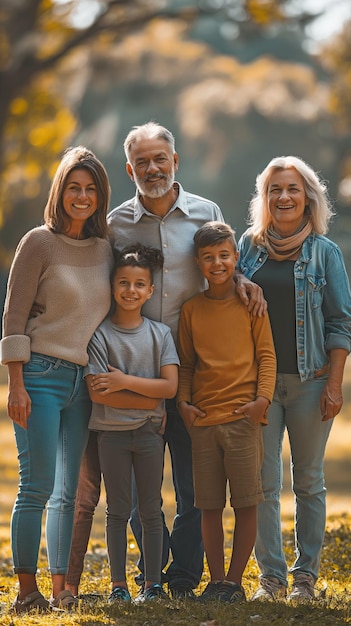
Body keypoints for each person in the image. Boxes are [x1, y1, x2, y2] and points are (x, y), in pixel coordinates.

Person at [66, 121, 265, 600]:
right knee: (136, 491)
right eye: (142, 162)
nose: (152, 168)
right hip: (133, 371)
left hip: (195, 371)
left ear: (175, 162)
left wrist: (243, 282)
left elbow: (223, 264)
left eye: (161, 159)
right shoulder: (113, 224)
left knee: (195, 487)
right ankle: (156, 567)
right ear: (130, 168)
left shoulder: (206, 211)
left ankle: (181, 577)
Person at [0, 146, 113, 612]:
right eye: (74, 187)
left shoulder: (106, 249)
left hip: (82, 382)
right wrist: (16, 383)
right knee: (37, 486)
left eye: (90, 189)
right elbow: (13, 315)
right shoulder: (38, 243)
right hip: (40, 378)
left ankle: (63, 589)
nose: (82, 196)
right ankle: (27, 592)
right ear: (60, 191)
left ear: (100, 196)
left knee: (70, 493)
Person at [237, 156, 351, 602]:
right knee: (263, 484)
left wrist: (335, 384)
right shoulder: (247, 246)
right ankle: (272, 579)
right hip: (258, 384)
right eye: (275, 190)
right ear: (264, 198)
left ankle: (305, 578)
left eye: (293, 189)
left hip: (311, 383)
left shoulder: (325, 252)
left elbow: (341, 322)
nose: (283, 197)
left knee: (308, 480)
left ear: (308, 198)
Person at [177, 221, 276, 603]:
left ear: (236, 258)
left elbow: (266, 356)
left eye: (224, 255)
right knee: (209, 506)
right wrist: (184, 405)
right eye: (208, 257)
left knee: (246, 502)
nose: (217, 263)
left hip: (243, 420)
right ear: (199, 264)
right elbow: (186, 364)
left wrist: (261, 403)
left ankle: (234, 582)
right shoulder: (191, 310)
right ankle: (216, 582)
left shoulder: (252, 303)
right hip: (203, 423)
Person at [84, 244, 179, 603]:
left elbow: (169, 387)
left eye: (139, 284)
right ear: (112, 286)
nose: (130, 290)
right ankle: (118, 585)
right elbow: (99, 395)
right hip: (111, 435)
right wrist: (150, 398)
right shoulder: (101, 335)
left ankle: (152, 584)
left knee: (151, 508)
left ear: (150, 290)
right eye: (123, 283)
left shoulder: (159, 334)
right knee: (118, 510)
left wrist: (124, 382)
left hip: (150, 435)